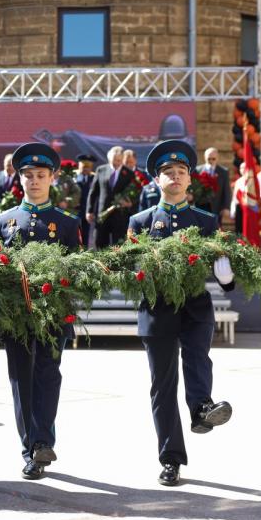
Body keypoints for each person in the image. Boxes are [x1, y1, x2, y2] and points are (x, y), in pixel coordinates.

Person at [127, 140, 236, 487]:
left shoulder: (204, 221)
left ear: (191, 180)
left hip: (194, 306)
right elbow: (128, 271)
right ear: (157, 180)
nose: (175, 177)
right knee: (162, 386)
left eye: (181, 172)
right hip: (157, 308)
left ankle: (202, 408)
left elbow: (227, 279)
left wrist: (225, 273)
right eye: (168, 173)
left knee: (198, 357)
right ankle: (170, 458)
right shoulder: (140, 221)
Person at [0, 142, 80, 480]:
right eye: (27, 175)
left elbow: (75, 271)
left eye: (41, 175)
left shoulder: (66, 224)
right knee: (21, 382)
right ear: (19, 178)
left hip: (53, 315)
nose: (34, 180)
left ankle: (43, 440)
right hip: (15, 318)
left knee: (47, 376)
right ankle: (30, 448)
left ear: (52, 178)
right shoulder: (3, 221)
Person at [87, 146, 135, 248]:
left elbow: (134, 194)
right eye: (114, 160)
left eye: (119, 160)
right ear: (109, 159)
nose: (116, 163)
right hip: (102, 214)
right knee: (99, 243)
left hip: (120, 215)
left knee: (118, 245)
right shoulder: (101, 170)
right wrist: (89, 211)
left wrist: (129, 203)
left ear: (122, 160)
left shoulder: (129, 174)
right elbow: (93, 192)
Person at [195, 148, 232, 221]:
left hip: (216, 207)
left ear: (217, 158)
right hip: (200, 206)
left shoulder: (223, 171)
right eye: (209, 159)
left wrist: (226, 207)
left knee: (215, 231)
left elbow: (226, 190)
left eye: (213, 159)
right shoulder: (197, 170)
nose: (211, 161)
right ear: (205, 158)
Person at [75, 154, 96, 247]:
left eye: (88, 167)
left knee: (86, 235)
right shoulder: (73, 177)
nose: (86, 169)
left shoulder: (94, 178)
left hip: (87, 212)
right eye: (84, 167)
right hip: (74, 211)